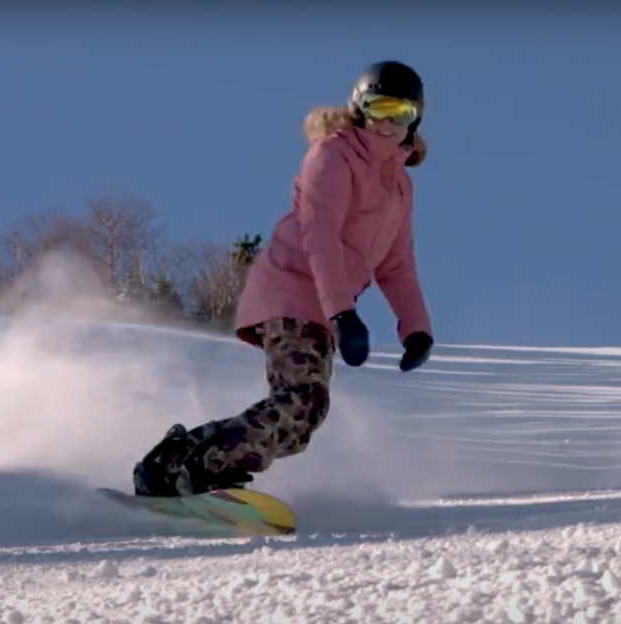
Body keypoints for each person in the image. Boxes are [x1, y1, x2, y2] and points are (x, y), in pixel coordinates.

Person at [131, 60, 437, 497]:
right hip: (292, 289)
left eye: (401, 112)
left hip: (324, 307)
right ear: (360, 109)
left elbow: (397, 265)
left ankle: (173, 463)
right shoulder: (333, 154)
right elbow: (321, 238)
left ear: (415, 117)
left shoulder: (400, 187)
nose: (388, 123)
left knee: (301, 421)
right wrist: (344, 314)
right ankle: (202, 473)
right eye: (378, 108)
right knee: (300, 401)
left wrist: (417, 329)